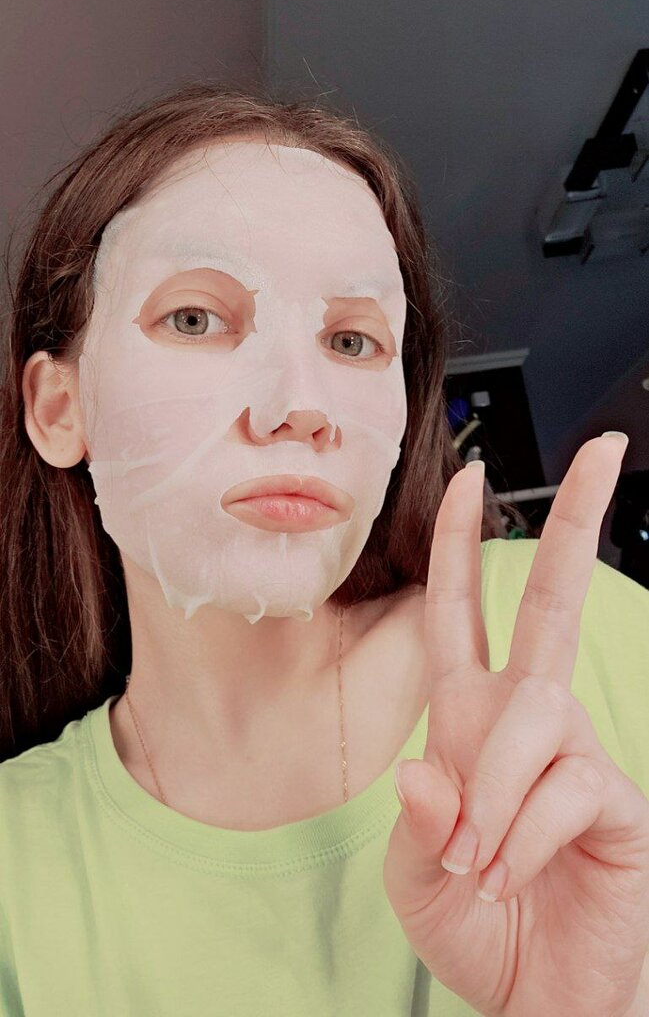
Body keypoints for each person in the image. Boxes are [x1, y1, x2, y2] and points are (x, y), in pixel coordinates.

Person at [0, 82, 647, 1015]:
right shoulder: (19, 861)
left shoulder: (582, 638)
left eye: (350, 340)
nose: (300, 406)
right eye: (195, 318)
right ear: (58, 409)